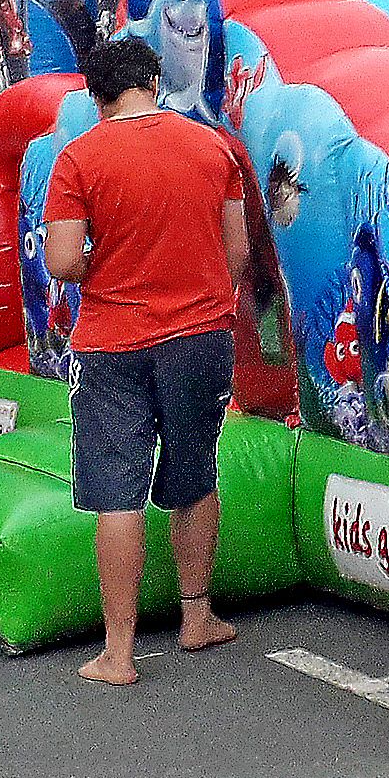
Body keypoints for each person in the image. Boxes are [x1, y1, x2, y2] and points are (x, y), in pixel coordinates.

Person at [41, 37, 254, 686]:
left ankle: (118, 652)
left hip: (111, 341)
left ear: (95, 93)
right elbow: (237, 249)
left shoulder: (78, 158)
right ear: (155, 80)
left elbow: (61, 261)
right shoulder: (210, 146)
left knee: (118, 494)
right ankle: (197, 617)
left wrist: (97, 265)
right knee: (194, 474)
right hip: (199, 335)